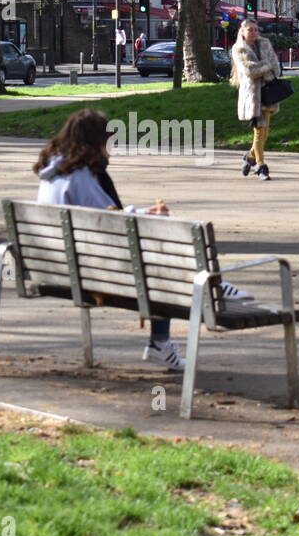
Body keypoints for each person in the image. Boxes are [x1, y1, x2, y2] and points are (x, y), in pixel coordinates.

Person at [33, 108, 186, 370]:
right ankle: (161, 340)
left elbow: (102, 217)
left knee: (155, 258)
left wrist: (139, 213)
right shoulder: (80, 177)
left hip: (53, 266)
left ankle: (164, 337)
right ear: (95, 143)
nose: (110, 149)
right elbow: (112, 224)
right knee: (162, 263)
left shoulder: (54, 172)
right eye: (108, 142)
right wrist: (149, 217)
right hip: (90, 274)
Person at [230, 18, 281, 181]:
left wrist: (265, 68)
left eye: (256, 29)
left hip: (269, 93)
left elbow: (276, 66)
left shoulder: (265, 44)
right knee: (259, 131)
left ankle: (250, 157)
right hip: (253, 96)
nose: (253, 32)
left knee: (264, 133)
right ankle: (261, 166)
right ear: (242, 31)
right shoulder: (238, 49)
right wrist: (267, 66)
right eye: (250, 29)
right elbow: (249, 70)